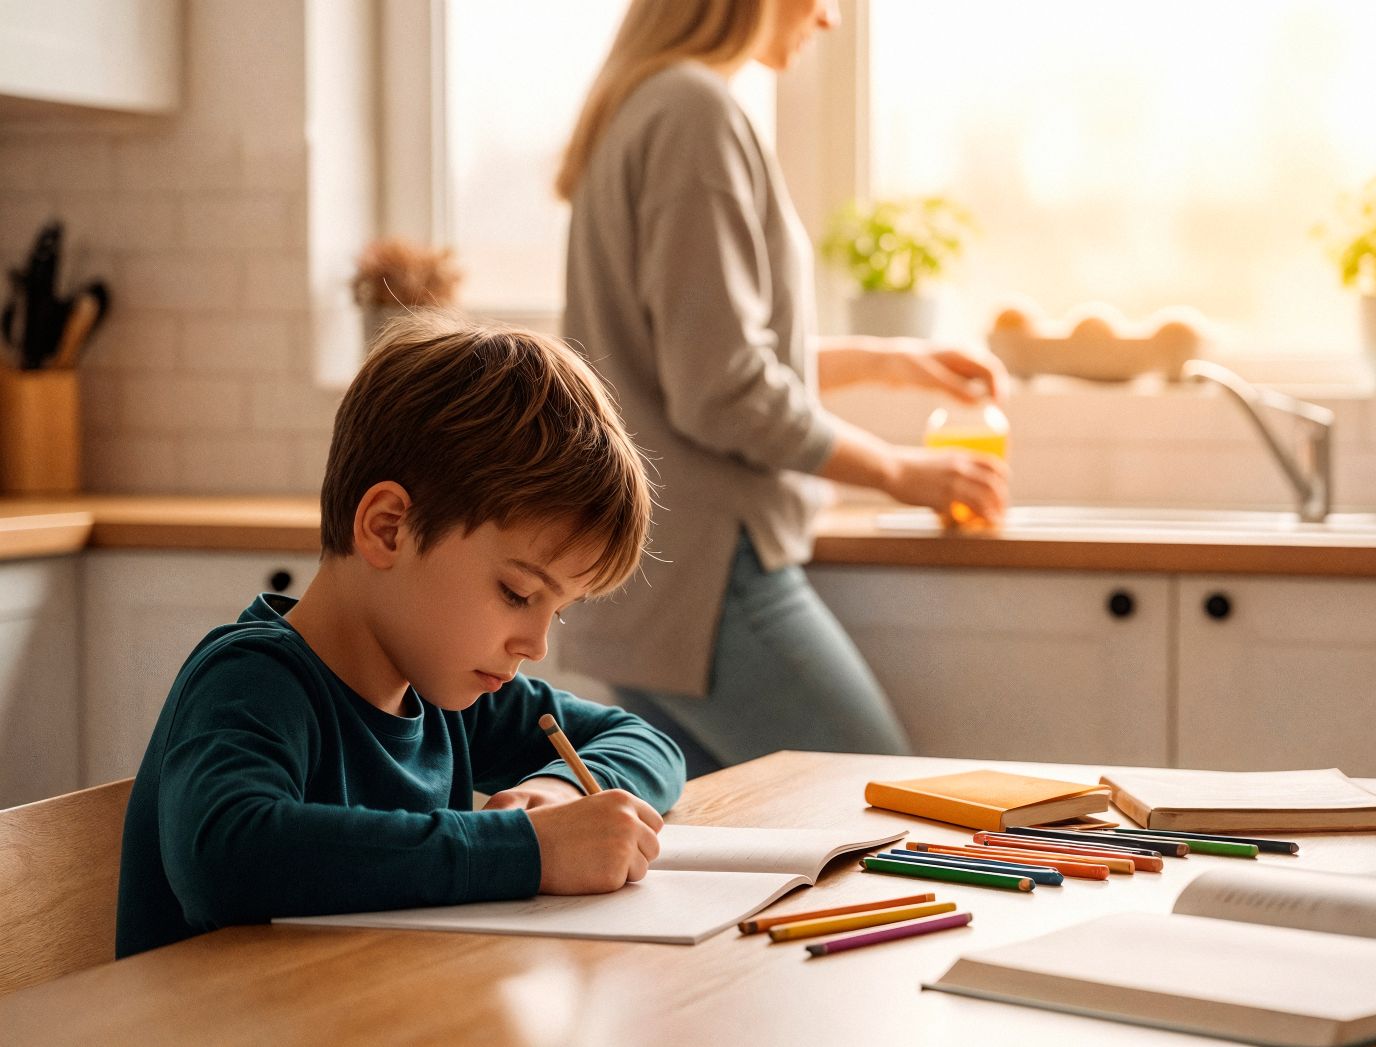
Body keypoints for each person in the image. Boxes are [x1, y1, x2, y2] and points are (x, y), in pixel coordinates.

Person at [115, 313, 686, 958]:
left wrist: (556, 791)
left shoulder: (443, 692)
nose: (535, 645)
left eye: (556, 611)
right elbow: (226, 856)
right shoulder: (252, 681)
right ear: (388, 529)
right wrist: (529, 852)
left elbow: (645, 742)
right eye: (518, 594)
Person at [557, 0, 1010, 778]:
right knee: (883, 812)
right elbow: (721, 388)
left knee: (728, 864)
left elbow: (695, 355)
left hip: (649, 576)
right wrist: (900, 473)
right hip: (709, 577)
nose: (831, 20)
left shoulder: (645, 104)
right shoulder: (695, 112)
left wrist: (887, 362)